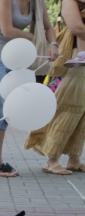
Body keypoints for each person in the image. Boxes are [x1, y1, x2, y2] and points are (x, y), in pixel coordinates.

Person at [0, 0, 59, 175]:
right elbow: (8, 31)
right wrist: (37, 39)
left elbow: (48, 27)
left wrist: (53, 43)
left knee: (7, 113)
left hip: (16, 61)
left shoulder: (36, 3)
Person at [23, 0, 85, 175]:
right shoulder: (71, 1)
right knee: (68, 108)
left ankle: (74, 158)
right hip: (75, 59)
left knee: (83, 113)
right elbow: (77, 28)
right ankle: (51, 158)